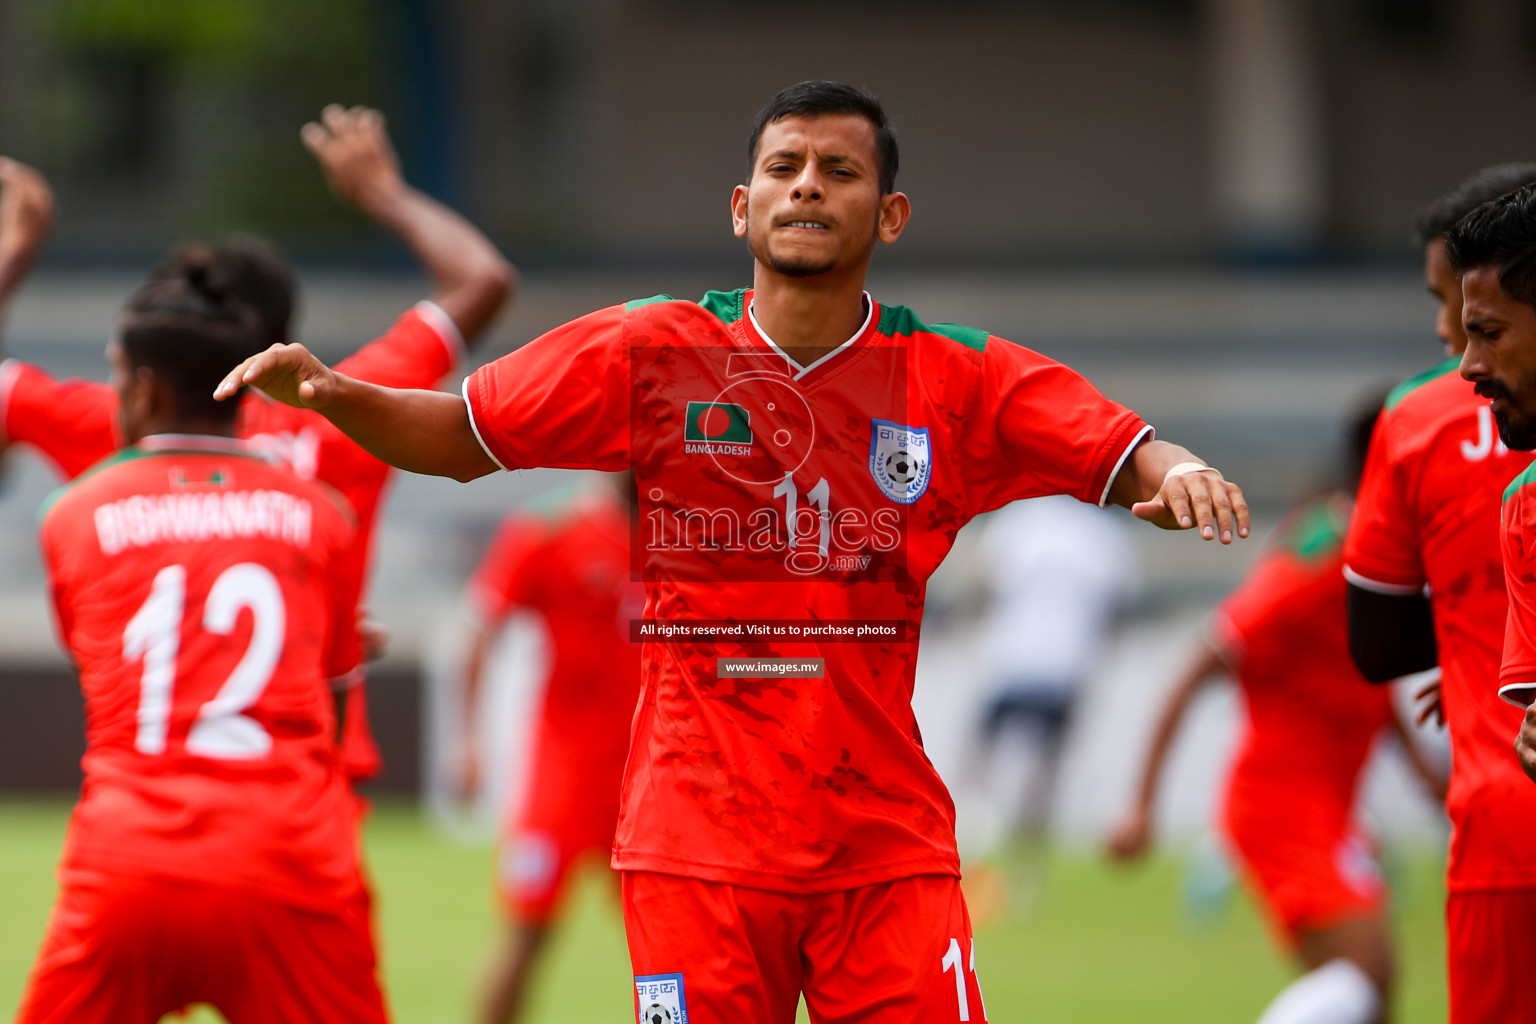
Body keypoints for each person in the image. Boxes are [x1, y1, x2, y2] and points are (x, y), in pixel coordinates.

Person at [217, 80, 1249, 1023]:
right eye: (784, 167)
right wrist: (335, 395)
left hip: (882, 850)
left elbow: (1125, 452)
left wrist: (1182, 472)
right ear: (741, 207)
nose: (808, 187)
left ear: (888, 216)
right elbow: (457, 440)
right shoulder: (648, 350)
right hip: (695, 844)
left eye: (840, 171)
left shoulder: (956, 378)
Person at [0, 104, 515, 778]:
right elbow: (484, 280)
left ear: (148, 375)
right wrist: (379, 192)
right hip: (310, 768)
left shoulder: (125, 423)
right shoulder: (345, 402)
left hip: (156, 777)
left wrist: (14, 254)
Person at [16, 261, 386, 1023]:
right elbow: (335, 701)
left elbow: (106, 657)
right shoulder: (322, 514)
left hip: (128, 861)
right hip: (288, 861)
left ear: (145, 389)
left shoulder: (71, 514)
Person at [1109, 400, 1441, 1024]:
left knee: (1373, 990)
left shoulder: (1363, 549)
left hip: (1330, 806)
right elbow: (1201, 662)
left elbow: (1362, 673)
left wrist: (1421, 766)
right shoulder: (1319, 559)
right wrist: (1142, 805)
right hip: (1282, 806)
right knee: (1362, 974)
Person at [1344, 165, 1536, 1024]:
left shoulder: (1416, 420)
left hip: (1503, 829)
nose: (1460, 353)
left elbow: (1376, 641)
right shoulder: (1522, 504)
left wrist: (1467, 641)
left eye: (1478, 325)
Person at [455, 472, 643, 1024]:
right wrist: (468, 741)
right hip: (563, 781)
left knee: (667, 949)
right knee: (525, 934)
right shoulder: (548, 529)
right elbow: (480, 627)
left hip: (652, 785)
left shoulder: (694, 535)